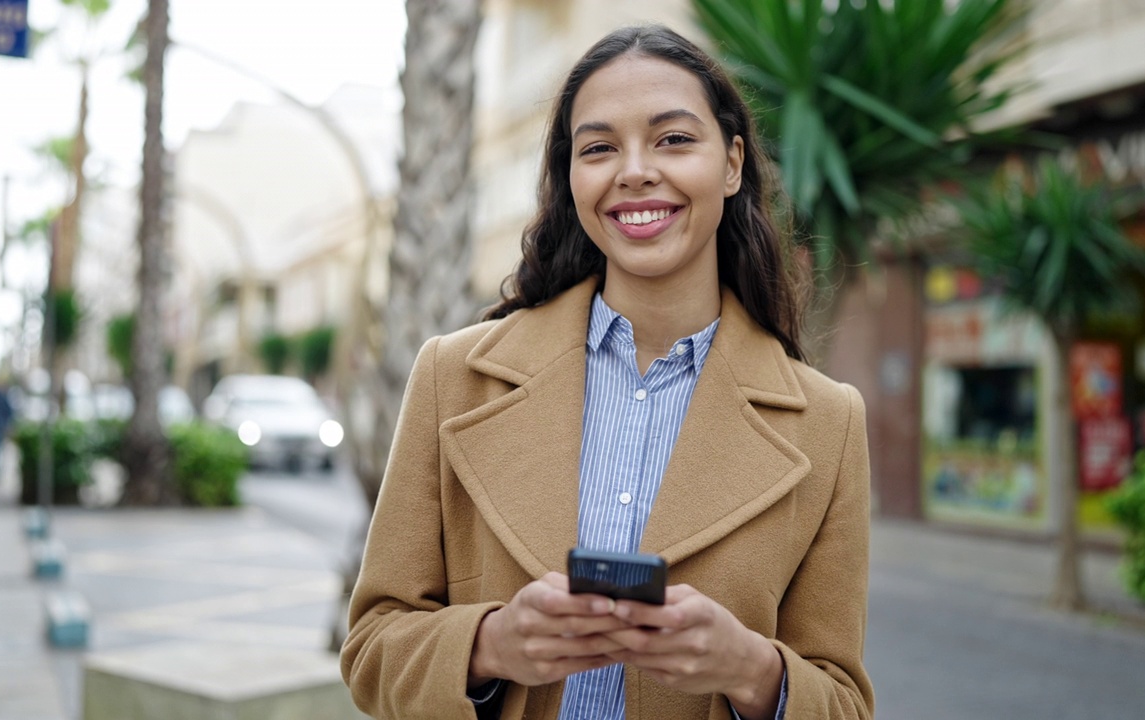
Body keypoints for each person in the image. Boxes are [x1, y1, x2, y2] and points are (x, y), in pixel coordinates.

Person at [341, 24, 873, 720]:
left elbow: (842, 701)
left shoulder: (828, 423)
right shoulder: (454, 376)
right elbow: (372, 649)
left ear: (734, 162)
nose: (634, 170)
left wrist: (751, 670)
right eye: (598, 148)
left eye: (674, 139)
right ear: (572, 177)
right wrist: (492, 645)